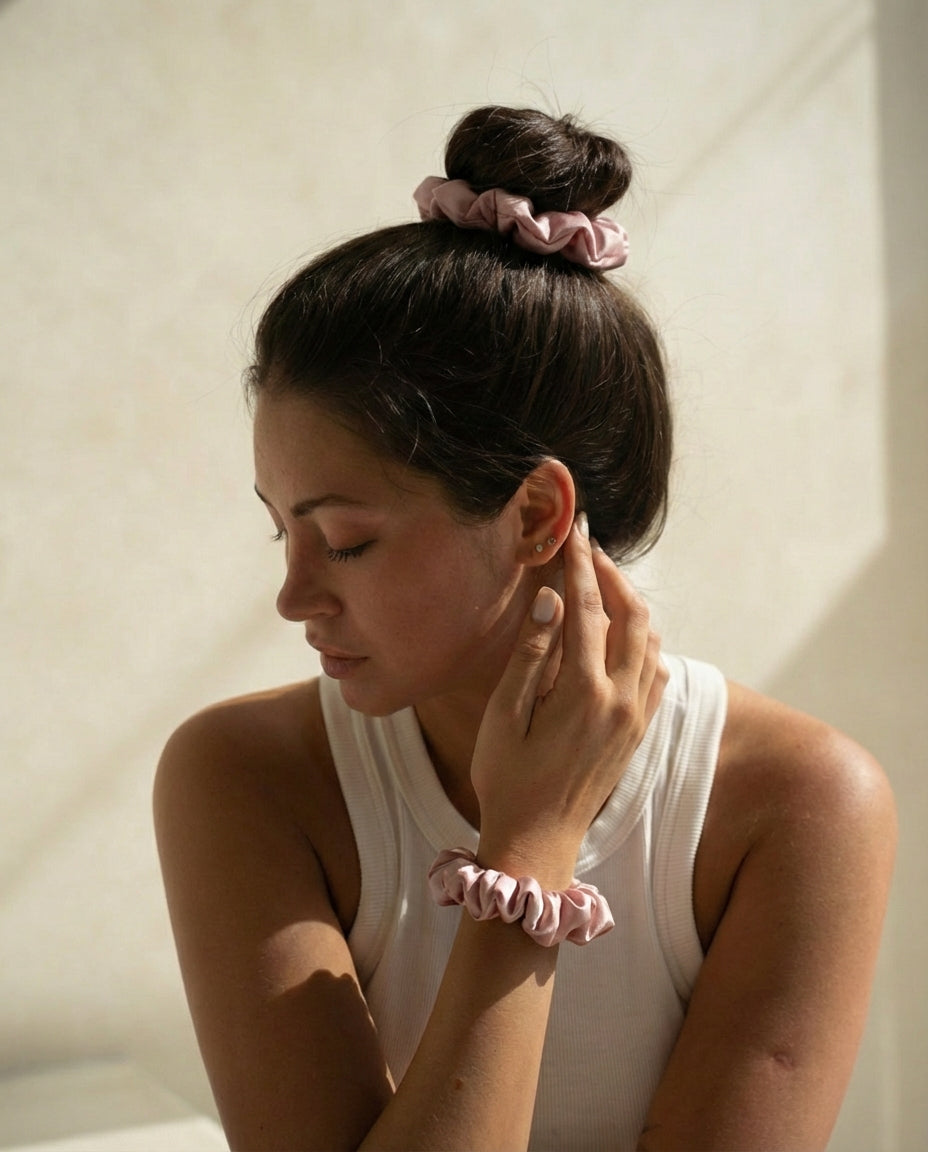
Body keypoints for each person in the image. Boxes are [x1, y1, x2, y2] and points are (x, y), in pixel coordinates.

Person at [154, 105, 896, 1152]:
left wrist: (529, 850)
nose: (295, 597)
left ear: (537, 515)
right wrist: (530, 848)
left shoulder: (798, 805)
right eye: (283, 533)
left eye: (346, 541)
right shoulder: (245, 779)